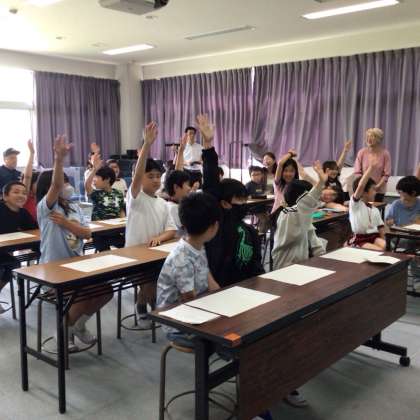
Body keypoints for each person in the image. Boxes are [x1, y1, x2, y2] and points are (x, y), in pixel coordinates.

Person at [36, 135, 113, 350]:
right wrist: (59, 159)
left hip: (76, 265)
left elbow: (87, 234)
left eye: (68, 181)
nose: (67, 185)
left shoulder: (74, 207)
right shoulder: (46, 207)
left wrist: (67, 224)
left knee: (106, 291)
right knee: (80, 295)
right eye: (64, 182)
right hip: (54, 268)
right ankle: (63, 332)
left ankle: (76, 326)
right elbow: (55, 184)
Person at [197, 114, 264, 288]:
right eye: (239, 200)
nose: (243, 205)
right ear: (225, 203)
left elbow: (257, 265)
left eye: (244, 200)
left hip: (247, 289)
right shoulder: (215, 226)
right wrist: (208, 145)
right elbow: (211, 182)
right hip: (221, 289)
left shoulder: (249, 230)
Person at [125, 122, 177, 327]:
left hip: (155, 253)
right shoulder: (135, 197)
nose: (156, 180)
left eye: (158, 176)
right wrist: (147, 145)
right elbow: (137, 178)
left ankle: (148, 303)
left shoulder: (162, 203)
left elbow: (171, 230)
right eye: (151, 176)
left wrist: (159, 237)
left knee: (158, 282)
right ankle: (144, 305)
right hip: (135, 255)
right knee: (149, 284)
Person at [156, 192, 221, 347]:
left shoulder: (198, 244)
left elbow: (208, 278)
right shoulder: (182, 258)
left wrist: (221, 298)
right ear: (213, 227)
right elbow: (189, 299)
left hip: (196, 306)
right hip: (177, 324)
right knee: (227, 340)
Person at [272, 161, 328, 270]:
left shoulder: (303, 217)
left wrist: (323, 258)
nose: (313, 200)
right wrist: (321, 182)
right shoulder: (288, 214)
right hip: (284, 267)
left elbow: (314, 241)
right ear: (300, 199)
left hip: (301, 264)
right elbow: (307, 202)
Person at [0, 180, 38, 314]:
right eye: (16, 192)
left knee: (14, 265)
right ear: (5, 196)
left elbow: (34, 231)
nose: (21, 195)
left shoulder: (23, 212)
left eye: (24, 193)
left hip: (4, 251)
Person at [385, 175, 420, 291]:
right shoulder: (396, 204)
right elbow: (388, 221)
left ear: (413, 193)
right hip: (400, 238)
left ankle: (416, 279)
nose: (399, 194)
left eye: (401, 192)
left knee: (413, 247)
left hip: (416, 238)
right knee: (411, 249)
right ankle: (416, 279)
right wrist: (390, 222)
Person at [348, 166, 386, 250]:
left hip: (374, 237)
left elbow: (381, 228)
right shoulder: (355, 204)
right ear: (364, 192)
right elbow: (361, 186)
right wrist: (371, 168)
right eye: (373, 189)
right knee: (379, 251)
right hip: (359, 239)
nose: (375, 193)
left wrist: (388, 245)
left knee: (386, 246)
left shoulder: (375, 209)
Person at [354, 128, 391, 202]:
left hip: (378, 190)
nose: (369, 139)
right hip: (363, 190)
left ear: (379, 139)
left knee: (376, 208)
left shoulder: (385, 154)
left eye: (372, 136)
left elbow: (386, 174)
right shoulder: (362, 152)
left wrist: (377, 187)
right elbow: (357, 172)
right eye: (367, 137)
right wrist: (363, 185)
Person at [164, 135, 191, 234]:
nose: (189, 188)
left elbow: (178, 175)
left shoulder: (176, 203)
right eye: (187, 184)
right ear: (176, 187)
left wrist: (181, 152)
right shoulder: (173, 209)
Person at [322, 139, 352, 204]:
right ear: (326, 171)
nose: (335, 171)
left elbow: (340, 164)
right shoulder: (323, 182)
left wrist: (345, 150)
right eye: (331, 170)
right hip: (331, 204)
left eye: (336, 170)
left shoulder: (336, 178)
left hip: (341, 201)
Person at [22, 140, 38, 222]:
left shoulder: (42, 197)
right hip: (28, 228)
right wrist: (32, 154)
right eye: (36, 182)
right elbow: (27, 177)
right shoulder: (25, 197)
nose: (40, 184)